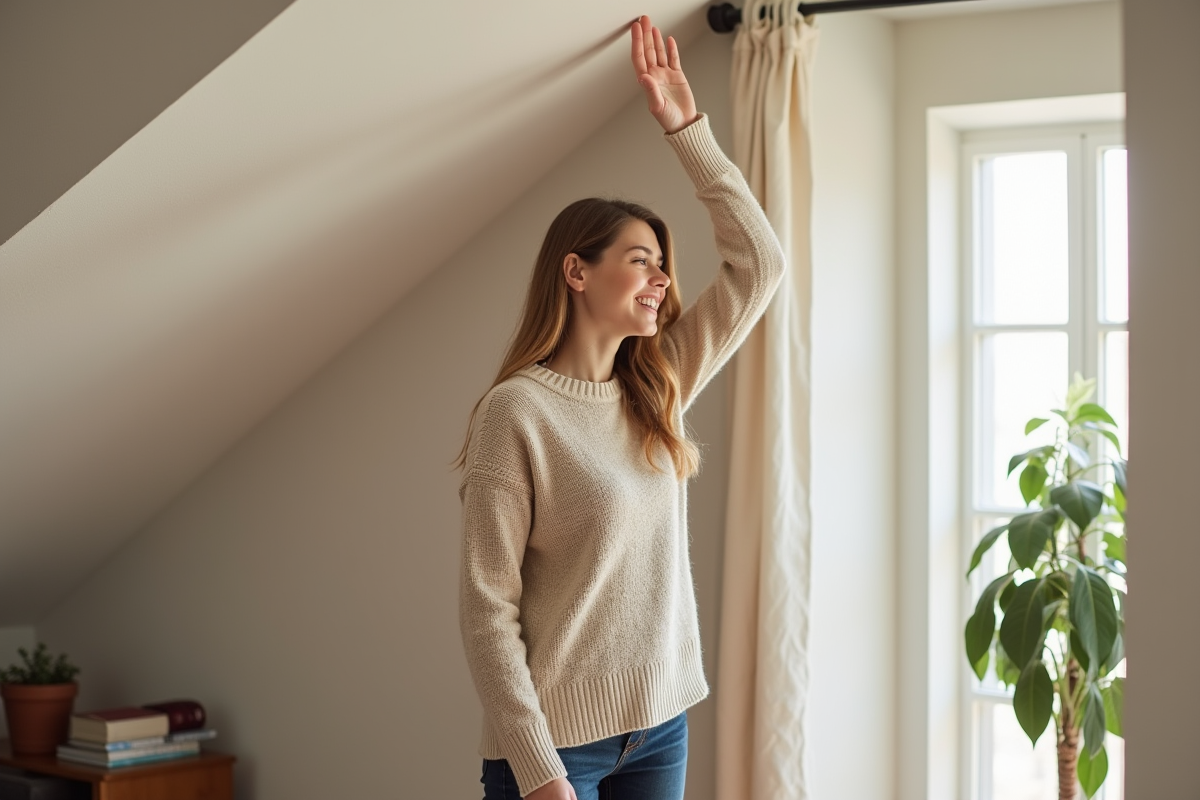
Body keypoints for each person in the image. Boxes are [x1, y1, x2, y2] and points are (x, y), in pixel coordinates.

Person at [452, 14, 786, 800]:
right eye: (642, 262)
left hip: (661, 726)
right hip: (557, 752)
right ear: (576, 271)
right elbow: (486, 609)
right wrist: (540, 772)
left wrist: (687, 131)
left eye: (664, 267)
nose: (662, 280)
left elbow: (760, 264)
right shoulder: (516, 414)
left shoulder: (658, 383)